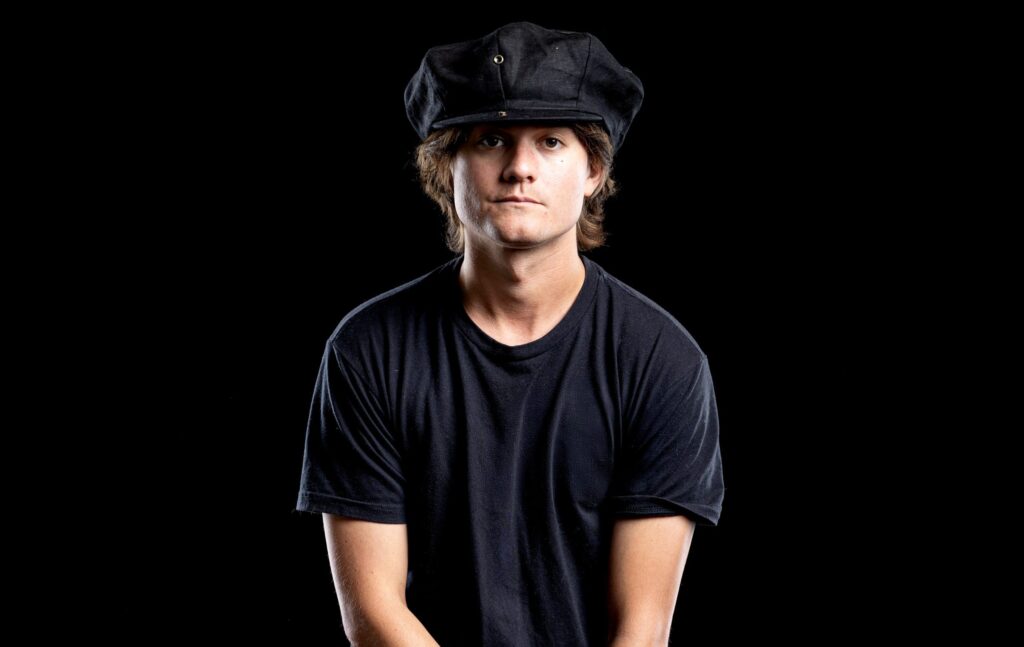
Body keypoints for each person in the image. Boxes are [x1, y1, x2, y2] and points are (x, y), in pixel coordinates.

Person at [296, 21, 724, 646]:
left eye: (551, 142)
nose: (520, 168)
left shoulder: (661, 359)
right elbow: (374, 616)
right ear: (447, 168)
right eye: (492, 139)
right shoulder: (369, 350)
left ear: (593, 172)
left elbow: (641, 627)